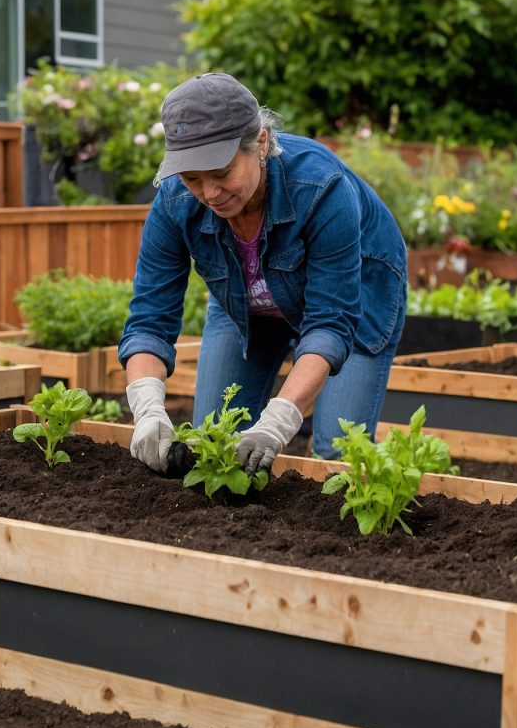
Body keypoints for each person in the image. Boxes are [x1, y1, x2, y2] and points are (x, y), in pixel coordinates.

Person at [117, 72, 407, 476]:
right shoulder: (174, 202)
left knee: (339, 456)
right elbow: (149, 320)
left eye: (221, 173)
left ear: (261, 143)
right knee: (215, 443)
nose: (210, 193)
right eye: (193, 177)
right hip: (247, 299)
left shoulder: (322, 188)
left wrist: (278, 422)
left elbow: (329, 322)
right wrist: (147, 409)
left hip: (357, 294)